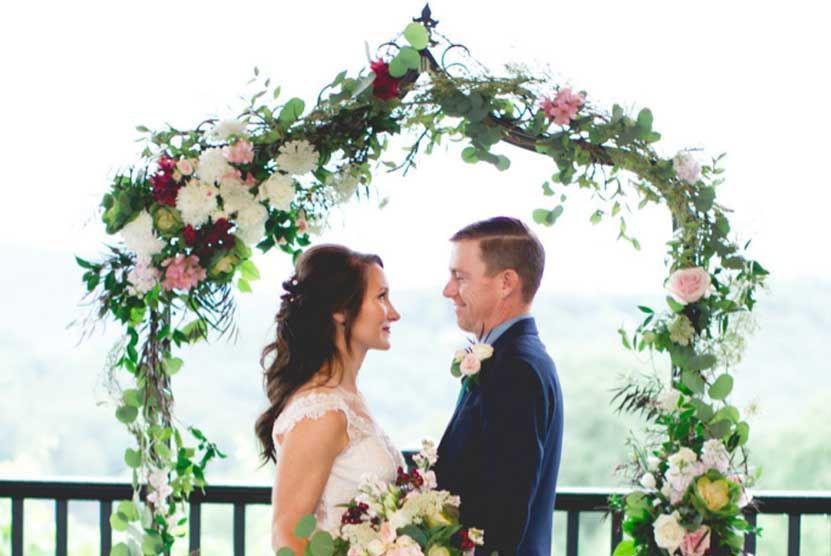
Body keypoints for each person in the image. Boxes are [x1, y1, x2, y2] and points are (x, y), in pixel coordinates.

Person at [254, 244, 404, 553]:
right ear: (340, 310)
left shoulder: (349, 398)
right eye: (381, 297)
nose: (394, 312)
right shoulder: (321, 412)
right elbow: (287, 536)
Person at [435, 216, 564, 555]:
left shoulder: (517, 370)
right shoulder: (511, 358)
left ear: (507, 282)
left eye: (459, 278)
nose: (448, 290)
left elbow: (504, 516)